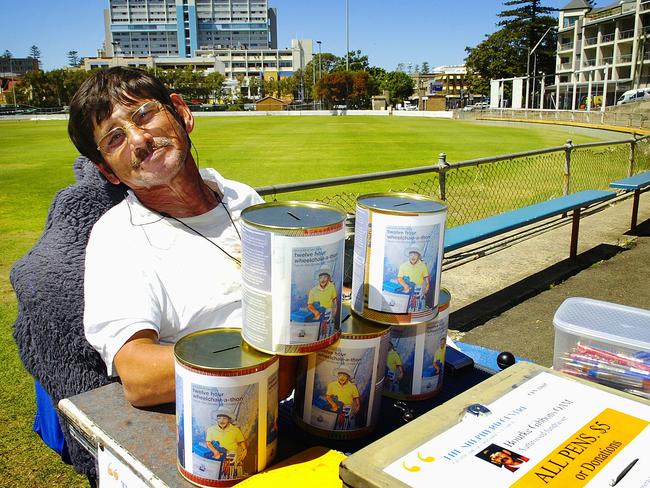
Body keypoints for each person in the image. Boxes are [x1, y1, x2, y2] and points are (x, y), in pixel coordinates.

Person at [67, 67, 294, 407]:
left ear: (182, 112)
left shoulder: (241, 197)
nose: (139, 140)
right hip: (232, 418)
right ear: (107, 171)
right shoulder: (117, 240)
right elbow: (139, 376)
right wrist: (287, 358)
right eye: (115, 138)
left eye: (144, 114)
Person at [206, 409, 247, 478]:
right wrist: (215, 451)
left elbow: (242, 443)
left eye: (224, 418)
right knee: (217, 474)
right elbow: (208, 443)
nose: (221, 421)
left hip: (232, 457)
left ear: (229, 419)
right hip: (217, 456)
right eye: (219, 418)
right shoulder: (211, 429)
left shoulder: (236, 430)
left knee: (231, 475)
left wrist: (244, 451)